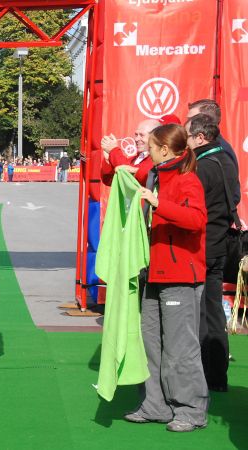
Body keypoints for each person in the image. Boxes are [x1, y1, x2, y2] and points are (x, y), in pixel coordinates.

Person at [124, 124, 208, 432]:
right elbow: (124, 175)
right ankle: (154, 405)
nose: (145, 150)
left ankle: (190, 410)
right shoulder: (155, 175)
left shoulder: (187, 180)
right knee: (149, 344)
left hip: (179, 276)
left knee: (179, 348)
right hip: (155, 272)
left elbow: (197, 220)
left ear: (164, 149)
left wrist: (160, 204)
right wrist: (113, 156)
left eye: (149, 146)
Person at [186, 113, 239, 392]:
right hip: (219, 243)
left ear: (200, 137)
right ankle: (217, 374)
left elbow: (192, 208)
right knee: (214, 310)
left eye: (188, 135)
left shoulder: (203, 165)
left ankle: (207, 374)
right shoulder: (226, 159)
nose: (186, 141)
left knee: (203, 312)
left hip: (204, 245)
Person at [101, 119, 161, 186]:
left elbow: (129, 175)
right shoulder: (134, 159)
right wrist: (108, 160)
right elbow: (109, 181)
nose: (137, 139)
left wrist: (113, 151)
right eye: (136, 135)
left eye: (142, 135)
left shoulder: (157, 159)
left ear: (155, 136)